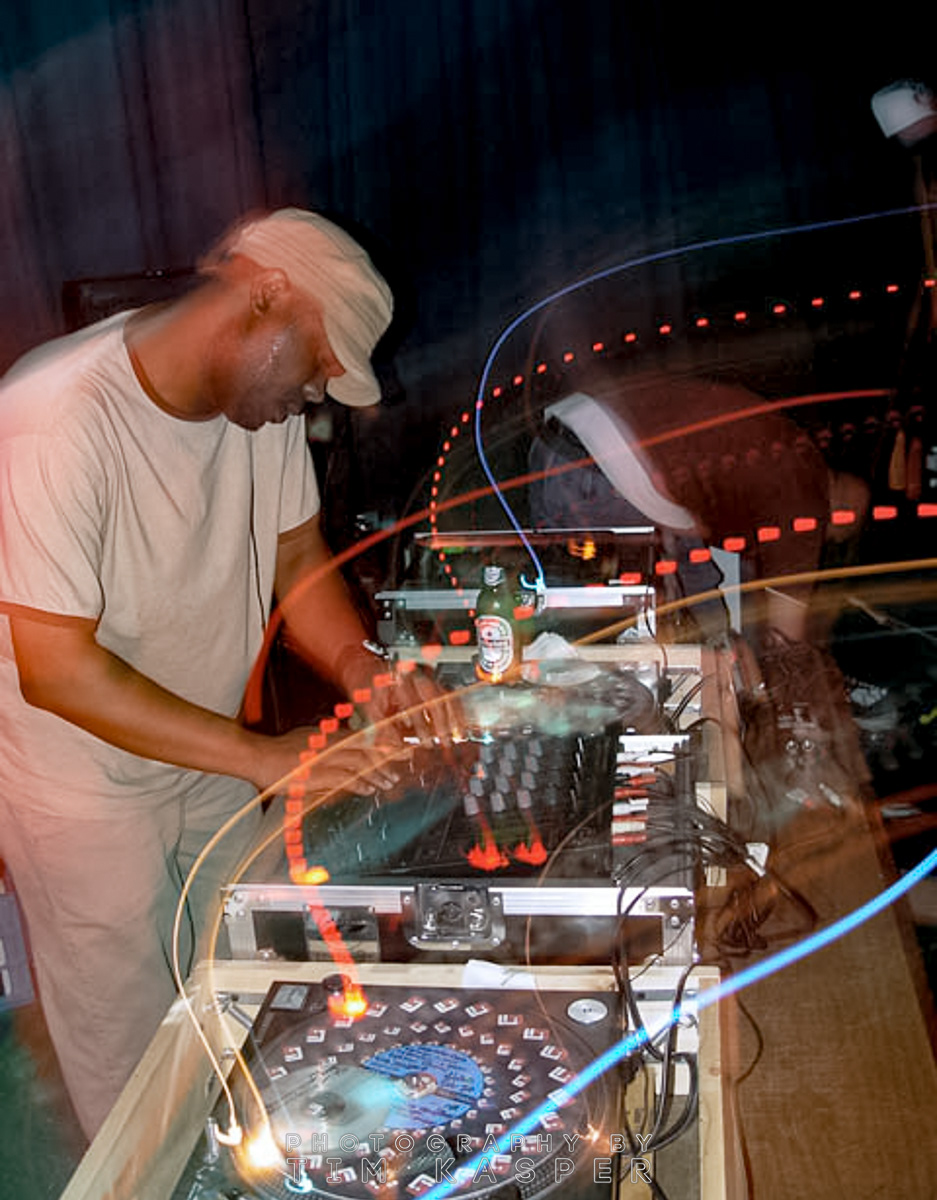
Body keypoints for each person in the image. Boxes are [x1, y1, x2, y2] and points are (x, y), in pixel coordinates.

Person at [0, 207, 451, 1141]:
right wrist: (261, 758)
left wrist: (362, 670)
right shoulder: (49, 419)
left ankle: (242, 1160)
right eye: (318, 364)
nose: (315, 395)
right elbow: (57, 670)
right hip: (79, 780)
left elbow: (297, 558)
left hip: (206, 747)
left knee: (245, 972)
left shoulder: (255, 405)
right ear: (265, 296)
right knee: (129, 1049)